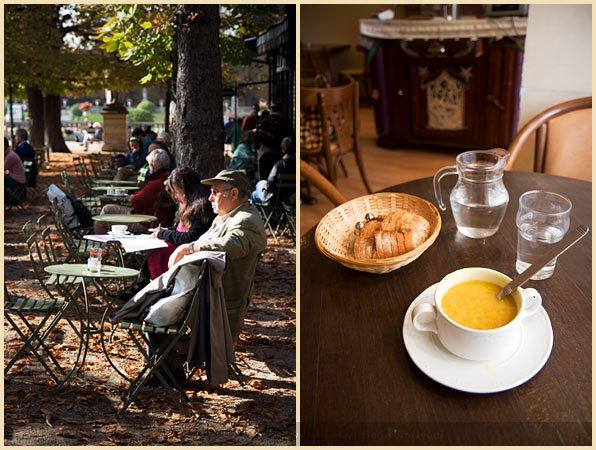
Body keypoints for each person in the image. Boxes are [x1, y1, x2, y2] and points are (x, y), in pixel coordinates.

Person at [168, 169, 267, 343]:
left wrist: (188, 248)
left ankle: (172, 366)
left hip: (215, 305)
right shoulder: (227, 215)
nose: (209, 198)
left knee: (152, 320)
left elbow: (231, 245)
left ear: (234, 193)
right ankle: (171, 367)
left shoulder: (245, 219)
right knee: (150, 316)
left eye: (214, 192)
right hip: (201, 297)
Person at [95, 149, 173, 234]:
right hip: (154, 218)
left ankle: (101, 244)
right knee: (108, 208)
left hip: (145, 221)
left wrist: (136, 195)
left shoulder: (156, 183)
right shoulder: (168, 179)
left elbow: (134, 201)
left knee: (106, 212)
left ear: (152, 166)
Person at [251, 135, 295, 205]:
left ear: (283, 150)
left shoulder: (279, 165)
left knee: (256, 189)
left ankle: (262, 214)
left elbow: (270, 185)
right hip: (291, 196)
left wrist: (265, 186)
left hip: (276, 199)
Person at [4, 137, 26, 205]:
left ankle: (8, 200)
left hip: (18, 181)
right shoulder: (8, 154)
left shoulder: (10, 156)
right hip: (15, 178)